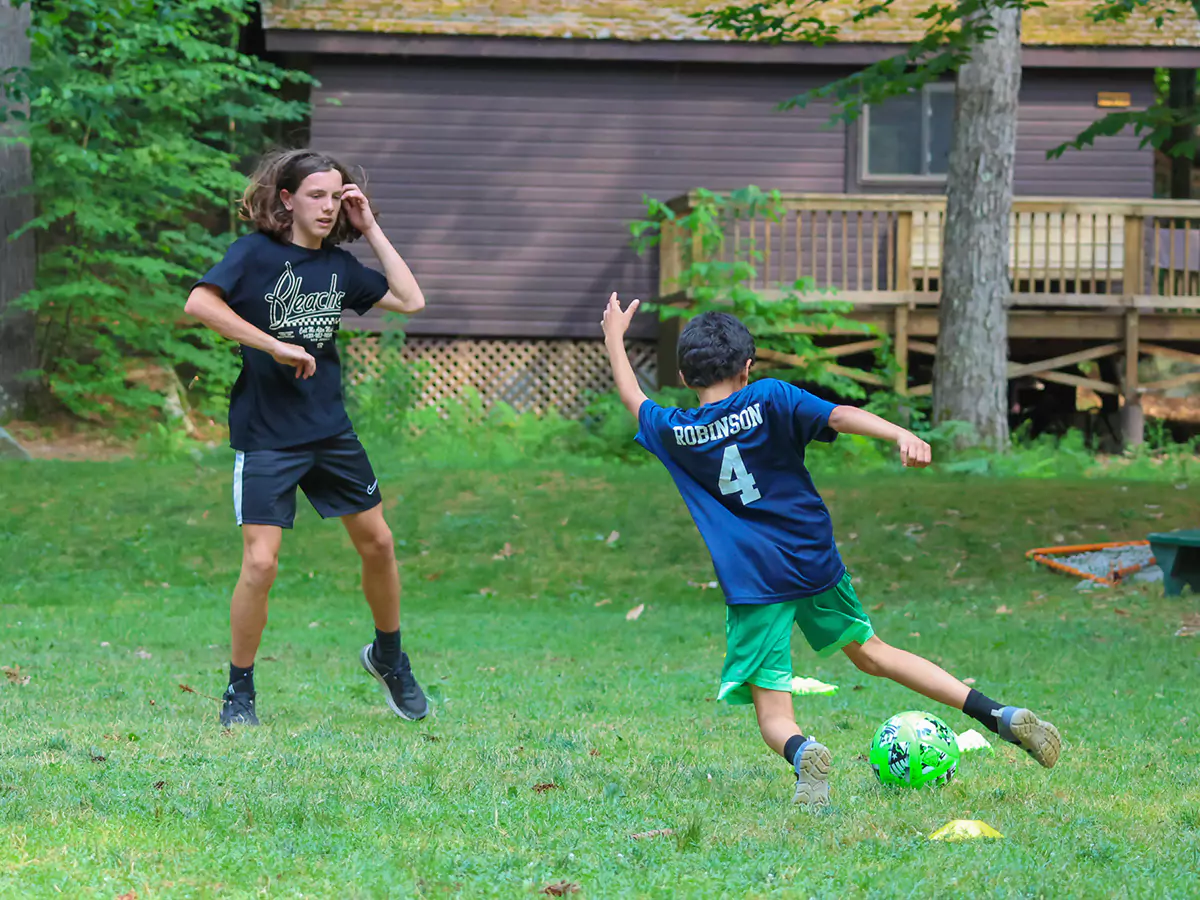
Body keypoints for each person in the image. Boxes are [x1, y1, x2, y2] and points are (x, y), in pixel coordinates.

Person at [600, 295, 1061, 806]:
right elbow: (839, 415)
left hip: (756, 584)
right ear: (747, 368)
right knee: (873, 653)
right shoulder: (769, 398)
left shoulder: (676, 431)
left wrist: (615, 338)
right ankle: (996, 714)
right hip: (813, 562)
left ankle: (805, 754)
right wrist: (900, 433)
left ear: (686, 379)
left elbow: (632, 396)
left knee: (774, 714)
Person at [184, 149, 429, 727]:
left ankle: (389, 658)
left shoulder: (340, 267)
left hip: (329, 432)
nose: (327, 206)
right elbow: (199, 302)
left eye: (336, 195)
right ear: (287, 199)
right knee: (261, 565)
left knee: (380, 544)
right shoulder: (254, 254)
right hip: (267, 434)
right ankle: (239, 691)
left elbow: (411, 300)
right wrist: (272, 344)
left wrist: (370, 228)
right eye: (315, 195)